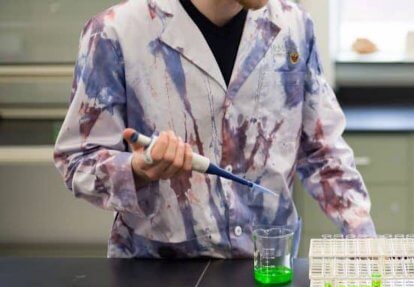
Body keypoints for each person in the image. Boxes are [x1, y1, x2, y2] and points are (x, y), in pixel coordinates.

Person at [53, 0, 375, 258]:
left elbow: (322, 149)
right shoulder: (116, 33)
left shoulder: (294, 27)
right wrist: (137, 168)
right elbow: (77, 160)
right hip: (155, 279)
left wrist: (362, 234)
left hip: (266, 270)